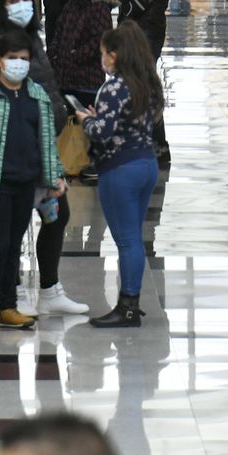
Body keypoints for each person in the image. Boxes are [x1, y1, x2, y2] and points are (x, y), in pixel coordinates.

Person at [0, 0, 85, 313]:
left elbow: (46, 86)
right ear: (2, 6)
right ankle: (13, 291)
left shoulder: (33, 39)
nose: (22, 4)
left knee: (56, 215)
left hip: (43, 154)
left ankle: (49, 289)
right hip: (14, 154)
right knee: (11, 227)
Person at [0, 31, 67, 331]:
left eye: (24, 59)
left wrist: (55, 174)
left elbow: (47, 140)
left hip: (27, 181)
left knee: (14, 244)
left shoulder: (38, 96)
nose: (19, 64)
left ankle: (8, 305)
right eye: (12, 58)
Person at [78, 23, 163, 330]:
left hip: (119, 169)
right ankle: (132, 302)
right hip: (146, 165)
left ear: (113, 56)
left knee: (126, 241)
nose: (102, 60)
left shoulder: (114, 87)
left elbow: (102, 133)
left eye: (103, 54)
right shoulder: (147, 84)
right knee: (134, 239)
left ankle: (127, 306)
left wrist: (86, 120)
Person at [50, 0, 117, 108]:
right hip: (65, 80)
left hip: (87, 82)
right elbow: (59, 30)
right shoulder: (72, 4)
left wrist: (73, 56)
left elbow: (99, 41)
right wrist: (55, 53)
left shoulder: (99, 8)